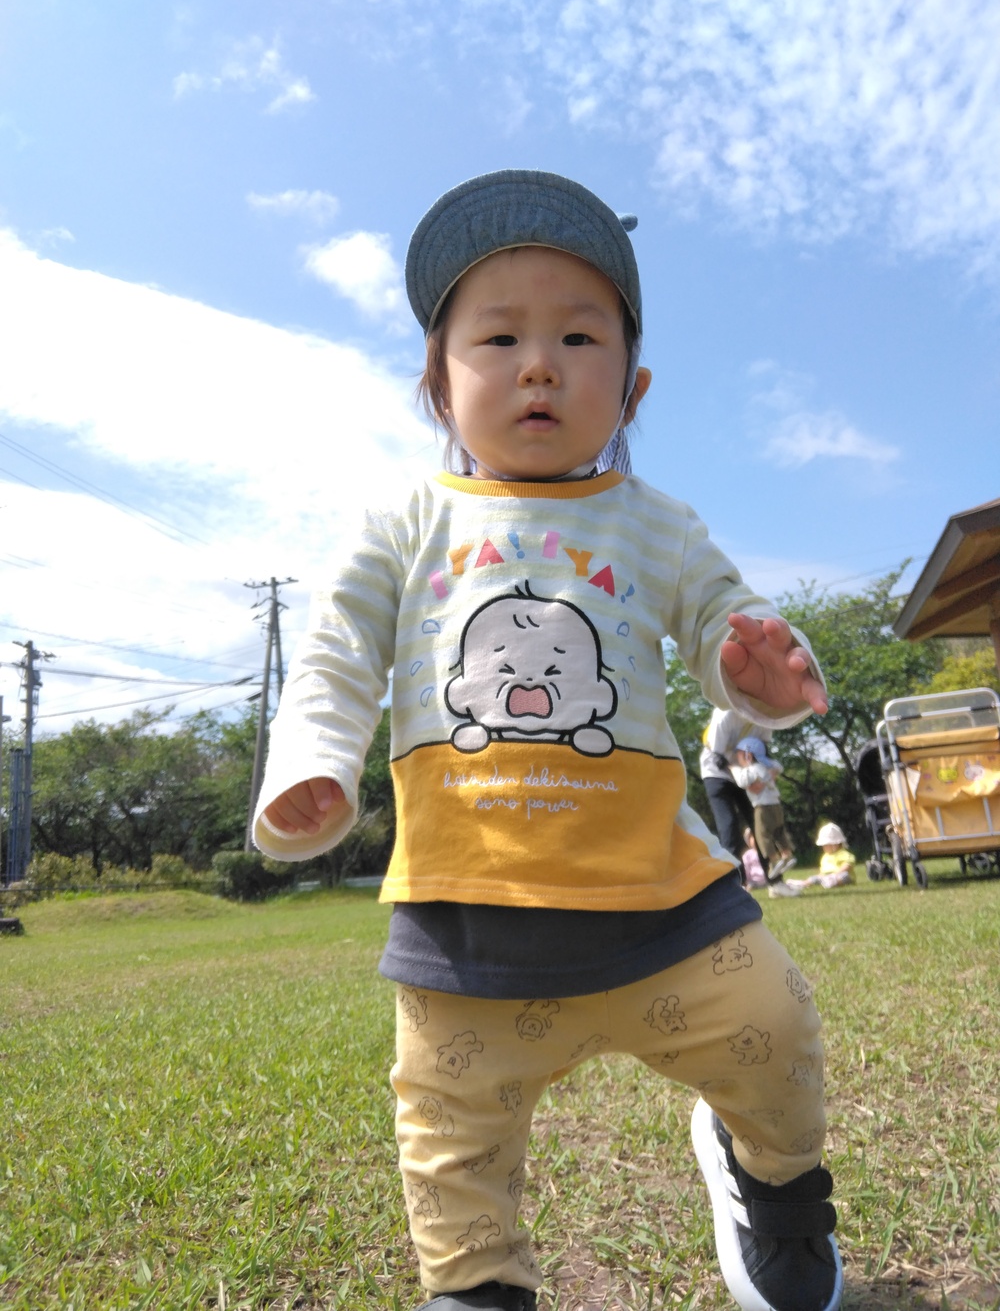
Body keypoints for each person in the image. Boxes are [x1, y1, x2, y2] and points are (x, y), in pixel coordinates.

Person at [253, 170, 842, 1311]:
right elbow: (332, 657)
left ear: (632, 385)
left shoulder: (655, 522)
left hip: (665, 904)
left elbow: (728, 620)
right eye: (499, 336)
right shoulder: (403, 524)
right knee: (448, 1133)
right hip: (468, 928)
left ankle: (770, 1183)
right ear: (436, 382)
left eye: (578, 335)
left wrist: (754, 669)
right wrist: (313, 764)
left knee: (774, 1032)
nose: (538, 363)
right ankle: (477, 1285)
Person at [698, 707, 771, 880]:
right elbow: (718, 759)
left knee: (760, 823)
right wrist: (746, 779)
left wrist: (759, 779)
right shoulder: (726, 713)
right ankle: (737, 883)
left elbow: (763, 752)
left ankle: (775, 880)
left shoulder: (769, 716)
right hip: (716, 774)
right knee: (729, 826)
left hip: (745, 774)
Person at [731, 735, 797, 879]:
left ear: (748, 755)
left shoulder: (751, 770)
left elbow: (742, 782)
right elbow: (779, 766)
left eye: (739, 755)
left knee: (762, 834)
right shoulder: (768, 766)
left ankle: (774, 860)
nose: (738, 759)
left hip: (762, 807)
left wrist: (733, 768)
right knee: (779, 831)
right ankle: (787, 855)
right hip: (776, 805)